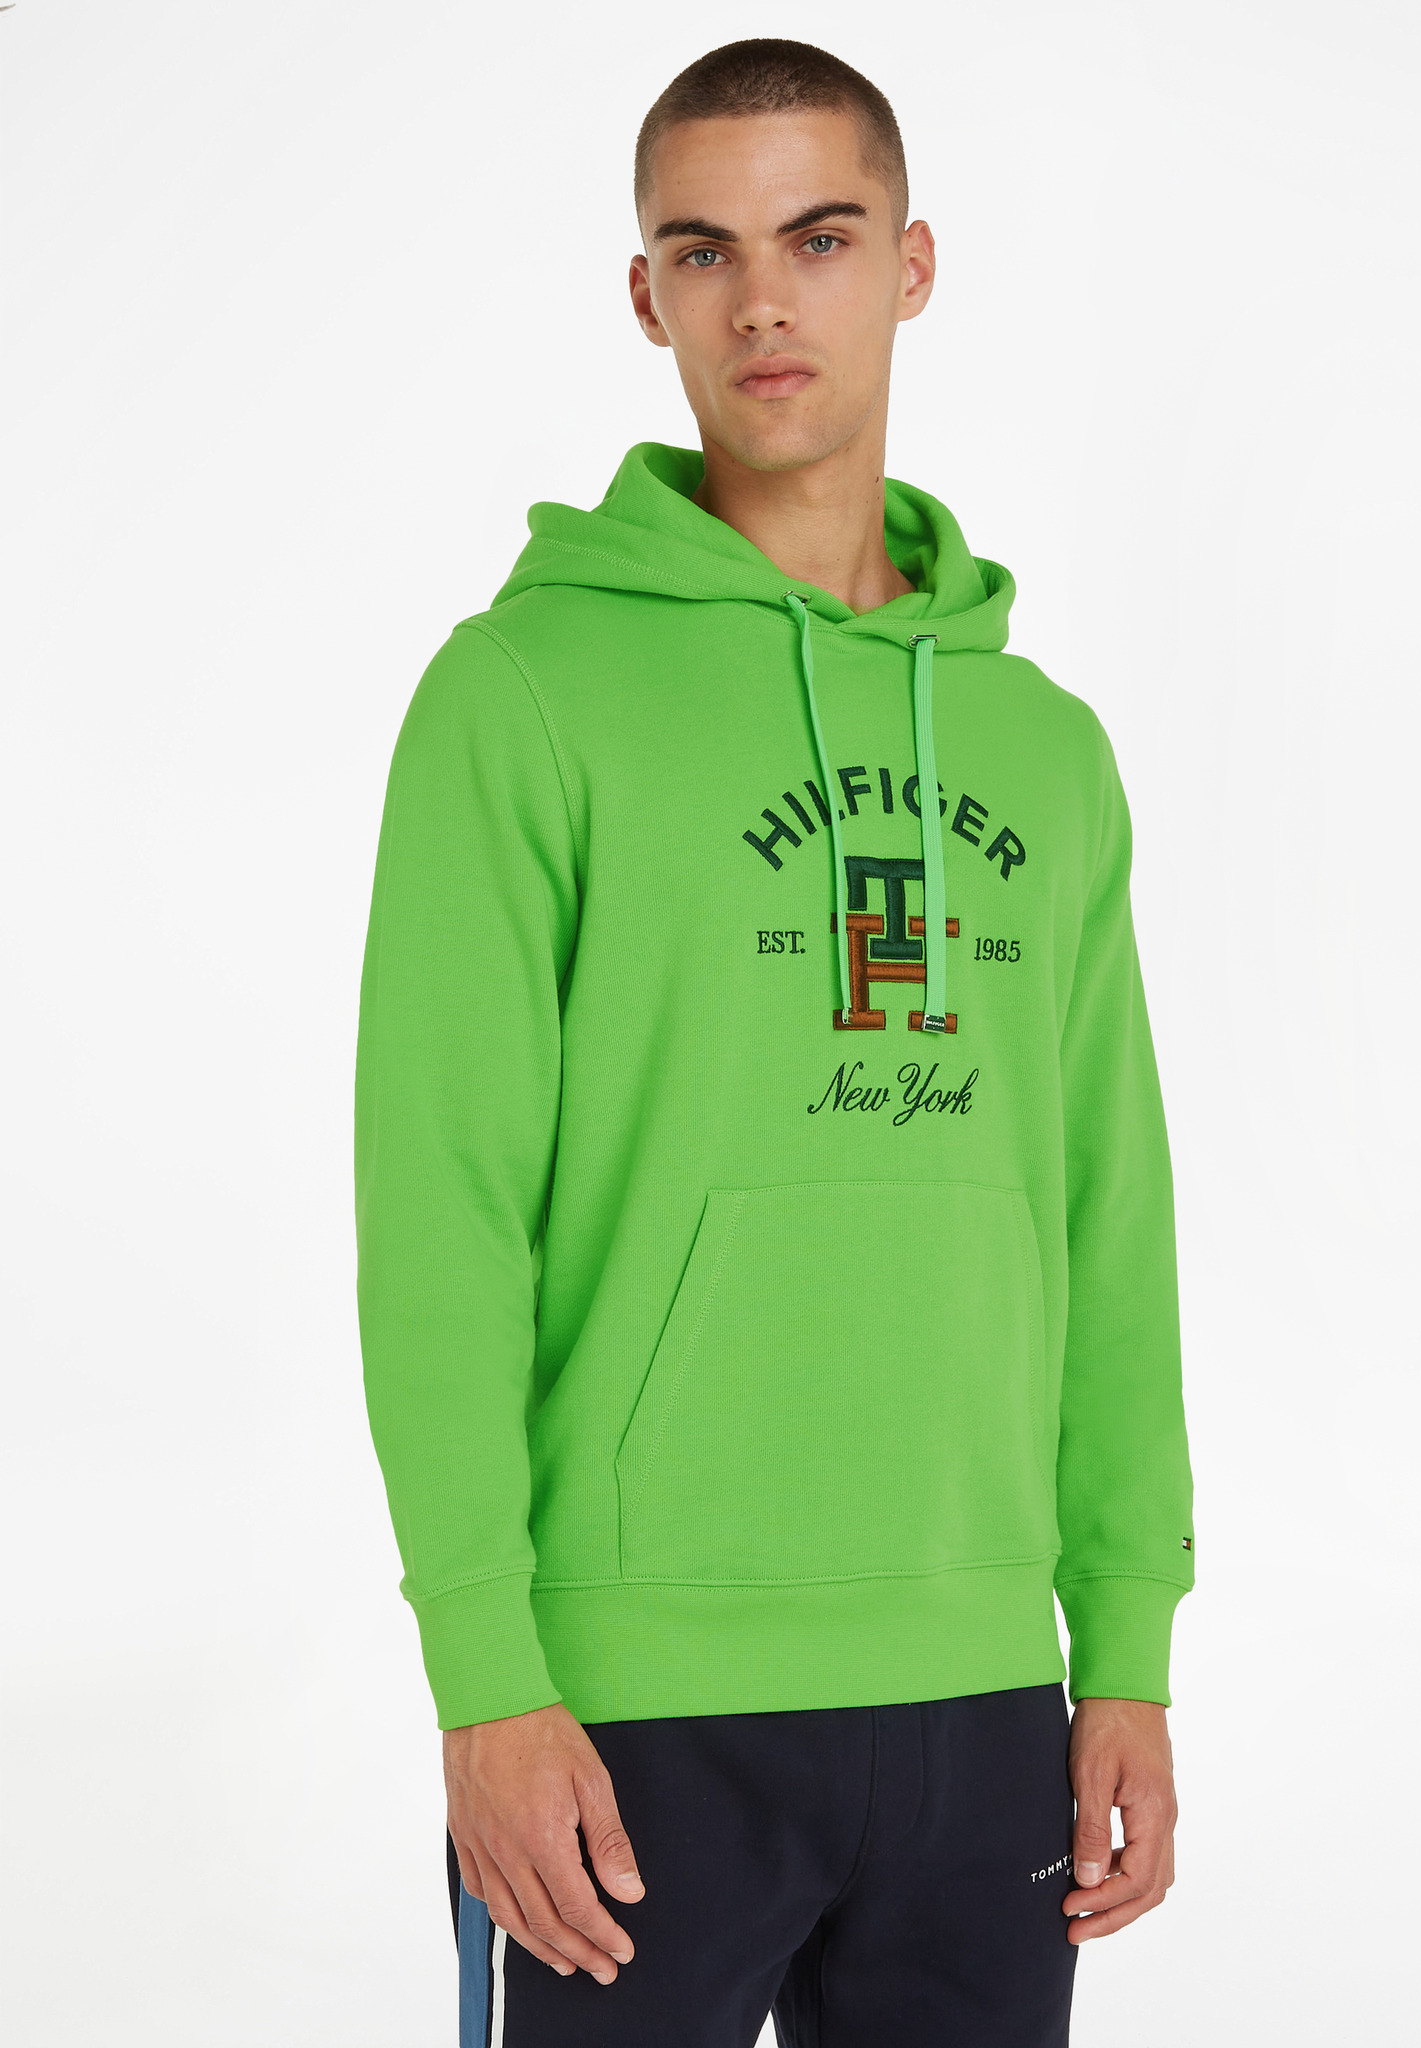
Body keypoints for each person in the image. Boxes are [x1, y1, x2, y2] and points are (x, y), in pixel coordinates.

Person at [354, 37, 1195, 2048]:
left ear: (911, 264)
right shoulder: (521, 693)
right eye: (703, 250)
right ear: (646, 295)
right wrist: (485, 1674)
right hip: (627, 1706)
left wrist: (1126, 1641)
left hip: (986, 1687)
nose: (762, 303)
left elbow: (1109, 1211)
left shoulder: (1046, 747)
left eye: (818, 239)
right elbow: (442, 1207)